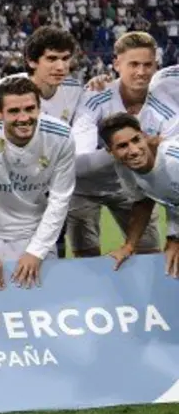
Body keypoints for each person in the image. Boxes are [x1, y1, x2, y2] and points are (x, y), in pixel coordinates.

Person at [0, 76, 76, 290]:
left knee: (42, 307)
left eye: (30, 109)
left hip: (34, 231)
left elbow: (60, 199)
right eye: (13, 111)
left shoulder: (62, 136)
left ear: (40, 109)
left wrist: (37, 251)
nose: (23, 118)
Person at [67, 32, 161, 259]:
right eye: (134, 64)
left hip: (131, 187)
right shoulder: (96, 97)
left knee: (148, 253)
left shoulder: (164, 100)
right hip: (85, 188)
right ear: (117, 64)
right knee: (87, 259)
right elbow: (79, 162)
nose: (141, 71)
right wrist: (133, 149)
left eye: (148, 64)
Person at [96, 113, 179, 277]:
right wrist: (129, 246)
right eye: (122, 146)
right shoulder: (124, 168)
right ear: (110, 151)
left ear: (144, 136)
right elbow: (143, 202)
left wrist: (176, 238)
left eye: (136, 140)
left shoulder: (174, 160)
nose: (133, 151)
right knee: (171, 263)